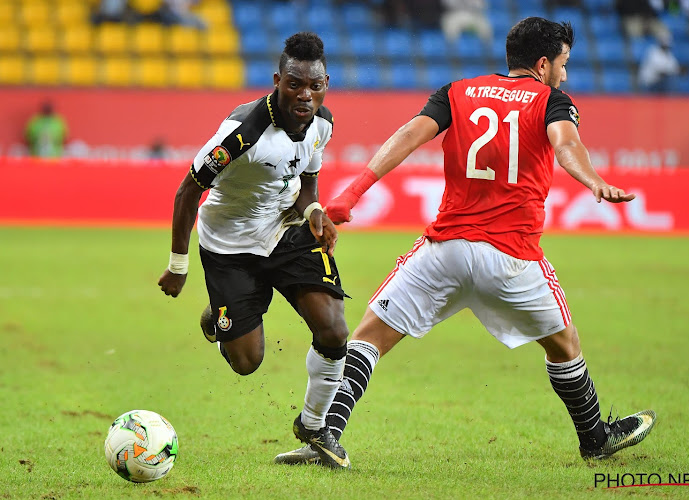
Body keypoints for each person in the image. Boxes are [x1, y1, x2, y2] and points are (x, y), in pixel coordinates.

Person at [275, 17, 657, 466]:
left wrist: (350, 194)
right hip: (513, 260)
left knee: (367, 339)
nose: (564, 74)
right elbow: (566, 144)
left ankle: (327, 437)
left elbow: (408, 136)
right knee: (564, 345)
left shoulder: (457, 91)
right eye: (563, 64)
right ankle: (595, 438)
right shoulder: (552, 100)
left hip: (446, 251)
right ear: (542, 64)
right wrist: (593, 181)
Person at [157, 32, 350, 469]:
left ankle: (315, 428)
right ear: (277, 80)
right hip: (229, 247)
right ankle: (218, 319)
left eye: (315, 86)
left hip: (285, 232)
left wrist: (315, 209)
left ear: (326, 84)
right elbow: (188, 191)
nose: (305, 95)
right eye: (295, 84)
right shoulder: (241, 133)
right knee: (246, 363)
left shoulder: (323, 123)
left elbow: (305, 178)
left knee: (335, 331)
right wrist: (178, 265)